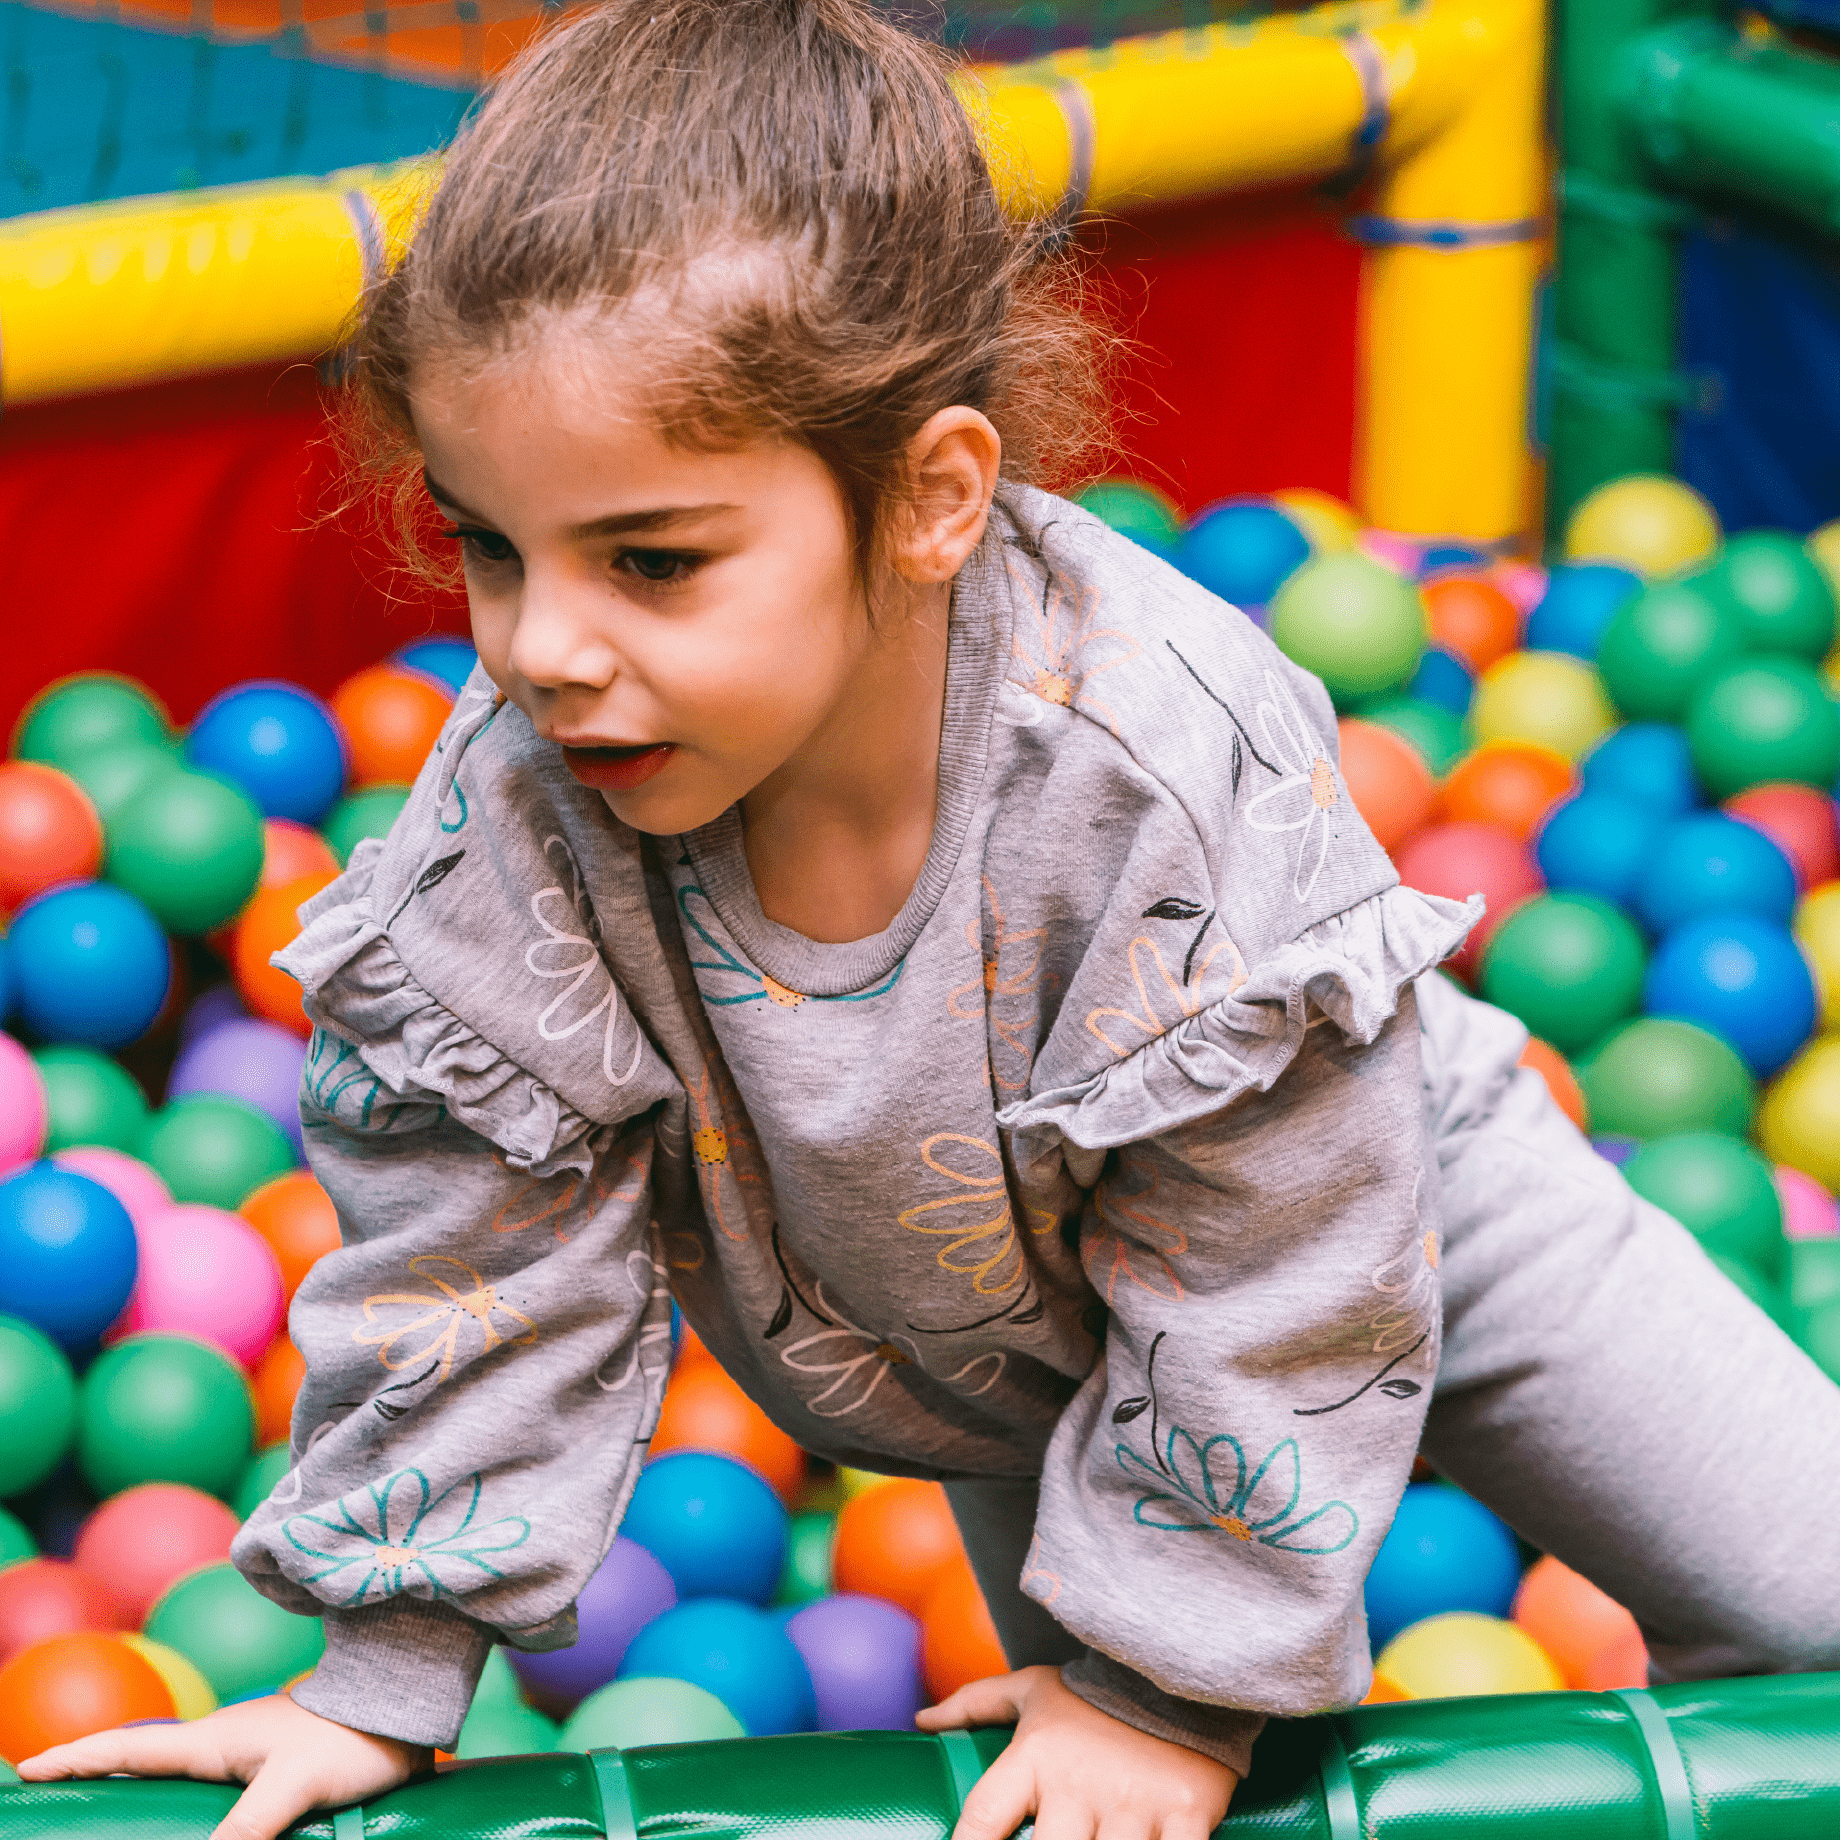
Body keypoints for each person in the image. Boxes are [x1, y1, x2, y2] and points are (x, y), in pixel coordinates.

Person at [20, 3, 1840, 1837]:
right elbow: (484, 1259)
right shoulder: (516, 829)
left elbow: (1274, 1260)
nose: (543, 651)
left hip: (1374, 1196)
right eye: (494, 545)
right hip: (984, 1354)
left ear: (933, 498)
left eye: (654, 560)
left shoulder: (1140, 770)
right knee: (1137, 1801)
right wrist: (383, 1679)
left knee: (1813, 1609)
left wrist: (1162, 1672)